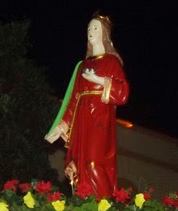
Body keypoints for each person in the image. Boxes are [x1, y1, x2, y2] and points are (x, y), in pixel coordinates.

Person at [45, 13, 129, 199]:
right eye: (89, 28)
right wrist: (61, 127)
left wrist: (97, 79)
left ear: (104, 33)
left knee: (93, 162)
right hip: (82, 118)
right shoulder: (82, 66)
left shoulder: (112, 62)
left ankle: (104, 206)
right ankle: (85, 203)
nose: (91, 31)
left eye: (95, 28)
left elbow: (123, 92)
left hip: (100, 117)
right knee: (79, 164)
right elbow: (74, 99)